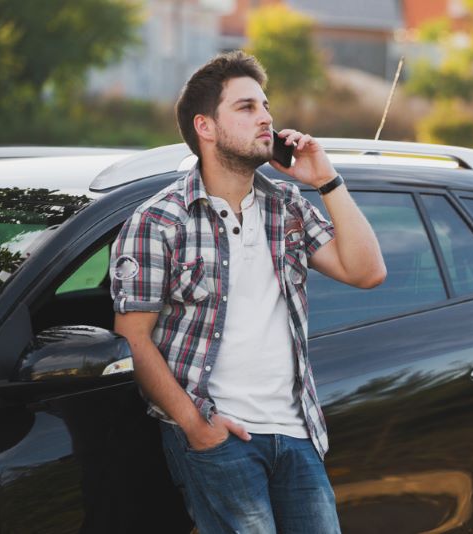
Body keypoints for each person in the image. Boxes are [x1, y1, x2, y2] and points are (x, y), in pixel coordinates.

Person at [110, 50, 386, 533]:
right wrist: (196, 427)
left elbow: (366, 272)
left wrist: (326, 179)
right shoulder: (159, 221)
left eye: (265, 106)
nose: (266, 118)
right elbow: (133, 338)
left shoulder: (287, 207)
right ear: (206, 127)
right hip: (221, 435)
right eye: (246, 107)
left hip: (298, 433)